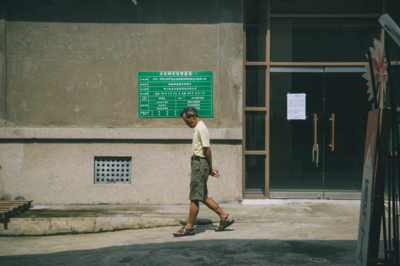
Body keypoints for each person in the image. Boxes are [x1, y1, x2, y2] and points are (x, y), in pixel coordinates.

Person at [173, 107, 234, 237]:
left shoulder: (201, 128)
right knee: (202, 196)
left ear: (193, 116)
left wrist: (210, 167)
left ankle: (189, 227)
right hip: (199, 163)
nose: (186, 123)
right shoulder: (198, 128)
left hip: (199, 164)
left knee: (195, 197)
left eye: (186, 121)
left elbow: (207, 150)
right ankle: (224, 217)